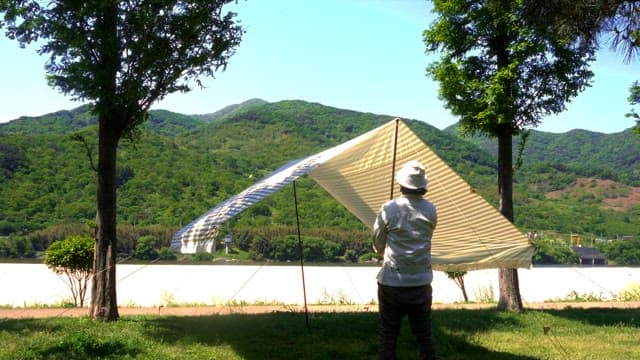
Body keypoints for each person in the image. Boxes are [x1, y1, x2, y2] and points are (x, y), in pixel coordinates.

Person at [373, 160, 437, 360]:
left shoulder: (389, 208)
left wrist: (383, 249)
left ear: (401, 184)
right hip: (421, 282)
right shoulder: (431, 210)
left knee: (389, 335)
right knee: (424, 335)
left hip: (393, 281)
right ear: (422, 186)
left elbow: (377, 242)